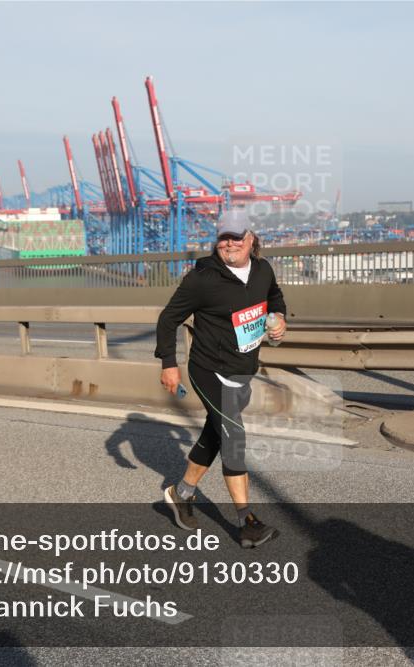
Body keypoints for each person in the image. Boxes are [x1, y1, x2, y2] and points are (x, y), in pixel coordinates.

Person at [155, 209, 286, 548]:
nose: (230, 243)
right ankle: (247, 522)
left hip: (242, 369)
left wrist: (279, 317)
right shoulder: (203, 279)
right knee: (234, 436)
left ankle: (181, 493)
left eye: (236, 237)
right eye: (223, 238)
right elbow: (168, 319)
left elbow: (275, 295)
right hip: (208, 369)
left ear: (250, 239)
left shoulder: (262, 270)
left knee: (216, 434)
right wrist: (169, 364)